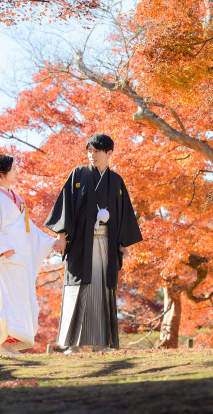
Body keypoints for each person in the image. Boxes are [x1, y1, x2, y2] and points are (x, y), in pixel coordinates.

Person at [45, 133, 143, 352]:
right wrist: (61, 236)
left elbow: (124, 213)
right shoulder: (78, 174)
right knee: (78, 289)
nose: (92, 155)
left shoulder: (116, 180)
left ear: (109, 153)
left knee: (101, 289)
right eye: (89, 150)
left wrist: (122, 242)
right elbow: (65, 207)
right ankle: (72, 345)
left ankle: (101, 344)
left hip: (106, 245)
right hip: (81, 244)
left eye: (97, 151)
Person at [0, 154, 57, 356]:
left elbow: (28, 230)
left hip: (18, 259)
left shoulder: (15, 198)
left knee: (19, 300)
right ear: (1, 173)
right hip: (2, 258)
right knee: (1, 299)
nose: (17, 172)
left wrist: (52, 241)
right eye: (13, 169)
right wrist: (1, 248)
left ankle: (10, 343)